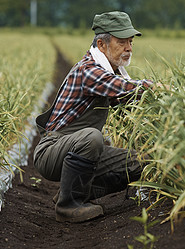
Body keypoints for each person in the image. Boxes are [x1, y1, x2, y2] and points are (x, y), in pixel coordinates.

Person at [34, 11, 154, 223]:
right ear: (101, 44)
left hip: (78, 146)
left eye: (130, 42)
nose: (129, 48)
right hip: (52, 151)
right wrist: (155, 87)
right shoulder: (88, 70)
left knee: (139, 163)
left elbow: (129, 102)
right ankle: (68, 206)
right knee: (92, 137)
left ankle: (72, 192)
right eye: (121, 42)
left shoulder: (111, 72)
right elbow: (120, 87)